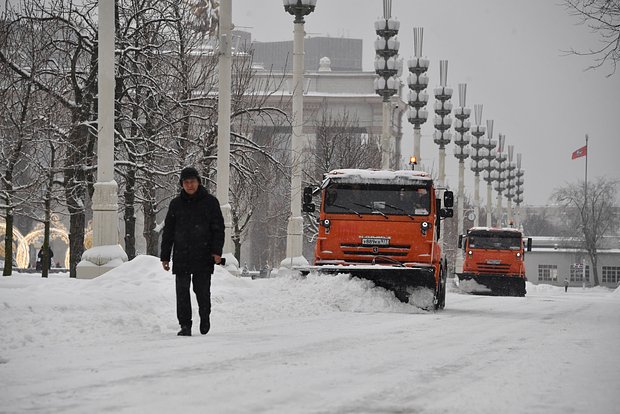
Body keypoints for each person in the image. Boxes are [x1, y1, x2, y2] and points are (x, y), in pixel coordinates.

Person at [161, 167, 225, 336]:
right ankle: (185, 325)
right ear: (182, 184)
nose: (189, 185)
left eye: (192, 181)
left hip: (204, 254)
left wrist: (216, 251)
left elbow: (218, 229)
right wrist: (165, 256)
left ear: (198, 182)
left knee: (201, 290)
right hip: (182, 254)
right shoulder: (176, 204)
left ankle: (205, 316)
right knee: (182, 291)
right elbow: (169, 231)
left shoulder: (210, 202)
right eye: (186, 182)